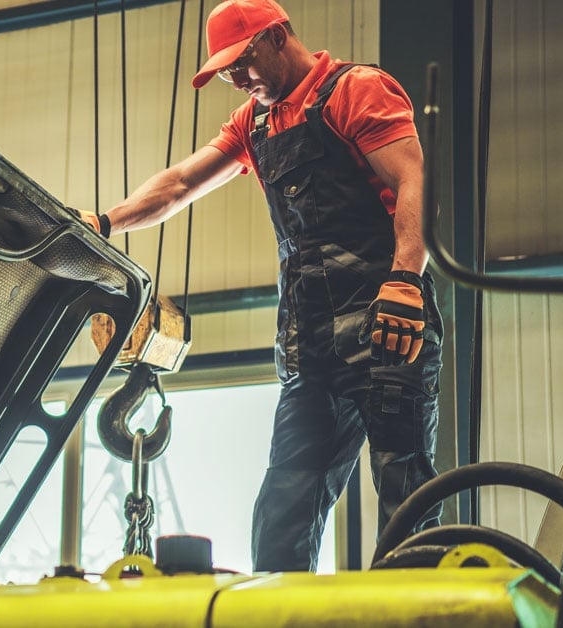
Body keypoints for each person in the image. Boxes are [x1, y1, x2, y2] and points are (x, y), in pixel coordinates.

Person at [80, 0, 443, 572]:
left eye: (240, 64)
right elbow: (178, 184)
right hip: (310, 347)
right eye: (224, 73)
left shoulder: (356, 89)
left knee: (404, 498)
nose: (236, 80)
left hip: (386, 325)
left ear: (277, 37)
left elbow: (413, 177)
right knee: (283, 513)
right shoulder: (255, 122)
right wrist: (105, 223)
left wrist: (405, 280)